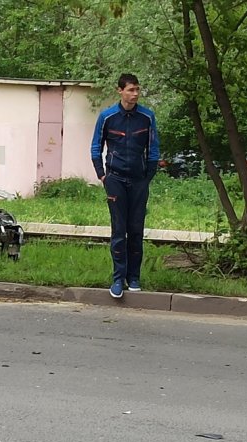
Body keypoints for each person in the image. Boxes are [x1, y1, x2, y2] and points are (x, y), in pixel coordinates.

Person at [90, 73, 160, 299]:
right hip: (115, 179)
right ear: (120, 90)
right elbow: (95, 147)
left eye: (137, 90)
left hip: (139, 180)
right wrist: (102, 175)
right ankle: (118, 278)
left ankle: (134, 277)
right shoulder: (107, 117)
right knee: (119, 230)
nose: (135, 94)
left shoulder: (147, 117)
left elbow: (154, 149)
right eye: (131, 90)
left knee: (136, 229)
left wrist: (147, 176)